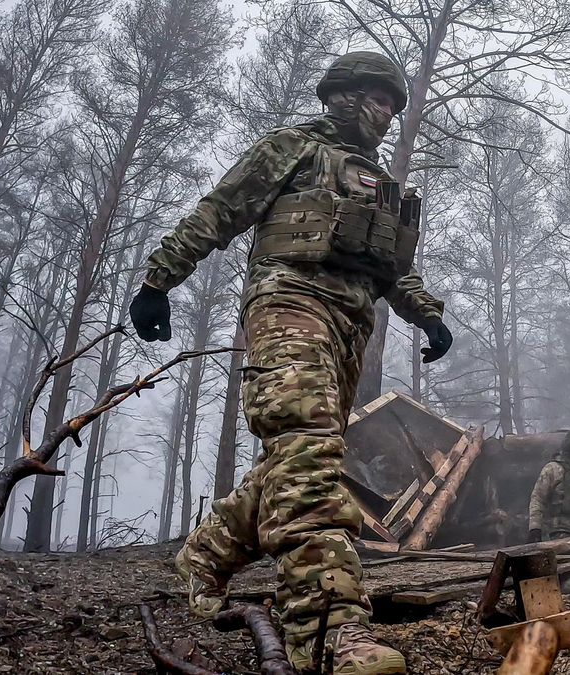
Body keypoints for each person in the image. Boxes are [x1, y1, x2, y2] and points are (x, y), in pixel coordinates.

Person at [129, 51, 452, 675]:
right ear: (344, 95)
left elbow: (390, 268)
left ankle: (208, 552)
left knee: (303, 457)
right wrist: (158, 280)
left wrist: (426, 314)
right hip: (288, 300)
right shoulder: (293, 149)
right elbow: (221, 209)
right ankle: (328, 628)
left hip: (350, 326)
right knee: (306, 450)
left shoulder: (378, 184)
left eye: (392, 103)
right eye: (376, 98)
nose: (385, 113)